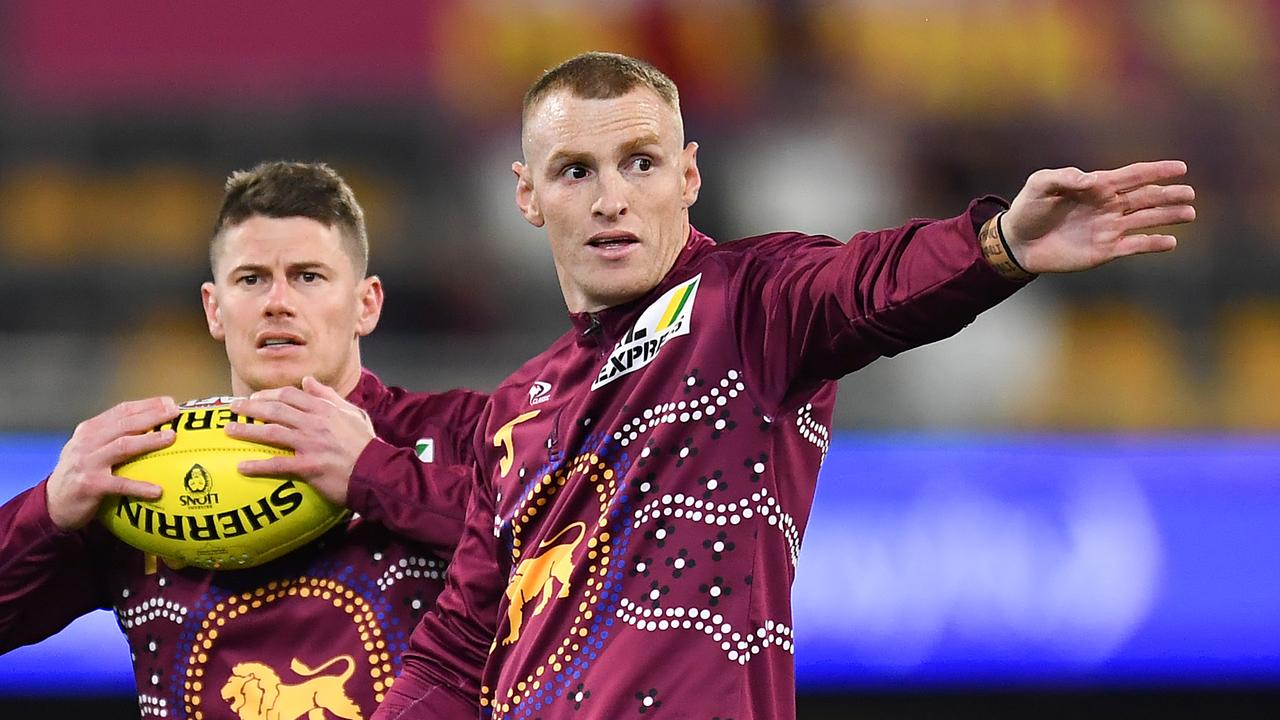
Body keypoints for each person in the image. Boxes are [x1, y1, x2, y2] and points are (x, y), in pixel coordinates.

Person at [375, 52, 1197, 719]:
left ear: (689, 176)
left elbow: (865, 284)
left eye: (640, 163)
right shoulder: (519, 406)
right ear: (527, 194)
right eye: (575, 172)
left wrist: (995, 245)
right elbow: (455, 651)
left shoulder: (748, 304)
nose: (611, 201)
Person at [0, 161, 486, 719]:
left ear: (366, 304)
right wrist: (49, 508)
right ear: (214, 308)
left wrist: (377, 475)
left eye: (308, 276)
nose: (277, 301)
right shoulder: (144, 471)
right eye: (251, 278)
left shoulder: (463, 433)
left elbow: (572, 563)